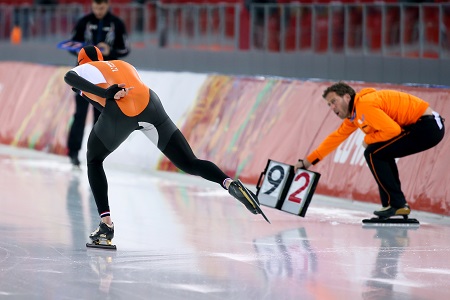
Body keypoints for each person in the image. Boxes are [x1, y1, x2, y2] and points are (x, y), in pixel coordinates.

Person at [64, 46, 263, 245]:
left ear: (81, 62)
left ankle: (106, 224)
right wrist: (103, 94)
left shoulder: (87, 67)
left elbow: (70, 78)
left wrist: (104, 92)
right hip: (150, 104)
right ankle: (228, 182)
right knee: (189, 162)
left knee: (94, 160)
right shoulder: (122, 64)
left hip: (120, 111)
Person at [295, 82, 445, 219]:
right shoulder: (355, 114)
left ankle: (396, 205)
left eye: (334, 102)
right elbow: (335, 138)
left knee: (373, 152)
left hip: (427, 127)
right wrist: (307, 162)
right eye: (329, 105)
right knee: (380, 152)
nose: (332, 108)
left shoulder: (364, 106)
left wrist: (367, 140)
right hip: (425, 126)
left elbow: (392, 130)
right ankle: (395, 205)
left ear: (347, 97)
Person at [66, 0, 130, 167]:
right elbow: (70, 45)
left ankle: (95, 154)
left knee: (101, 116)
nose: (98, 11)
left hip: (106, 78)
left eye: (101, 8)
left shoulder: (117, 24)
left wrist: (110, 51)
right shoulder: (84, 22)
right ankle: (73, 152)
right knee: (79, 114)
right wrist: (85, 50)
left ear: (108, 5)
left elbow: (126, 49)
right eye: (95, 8)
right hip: (84, 76)